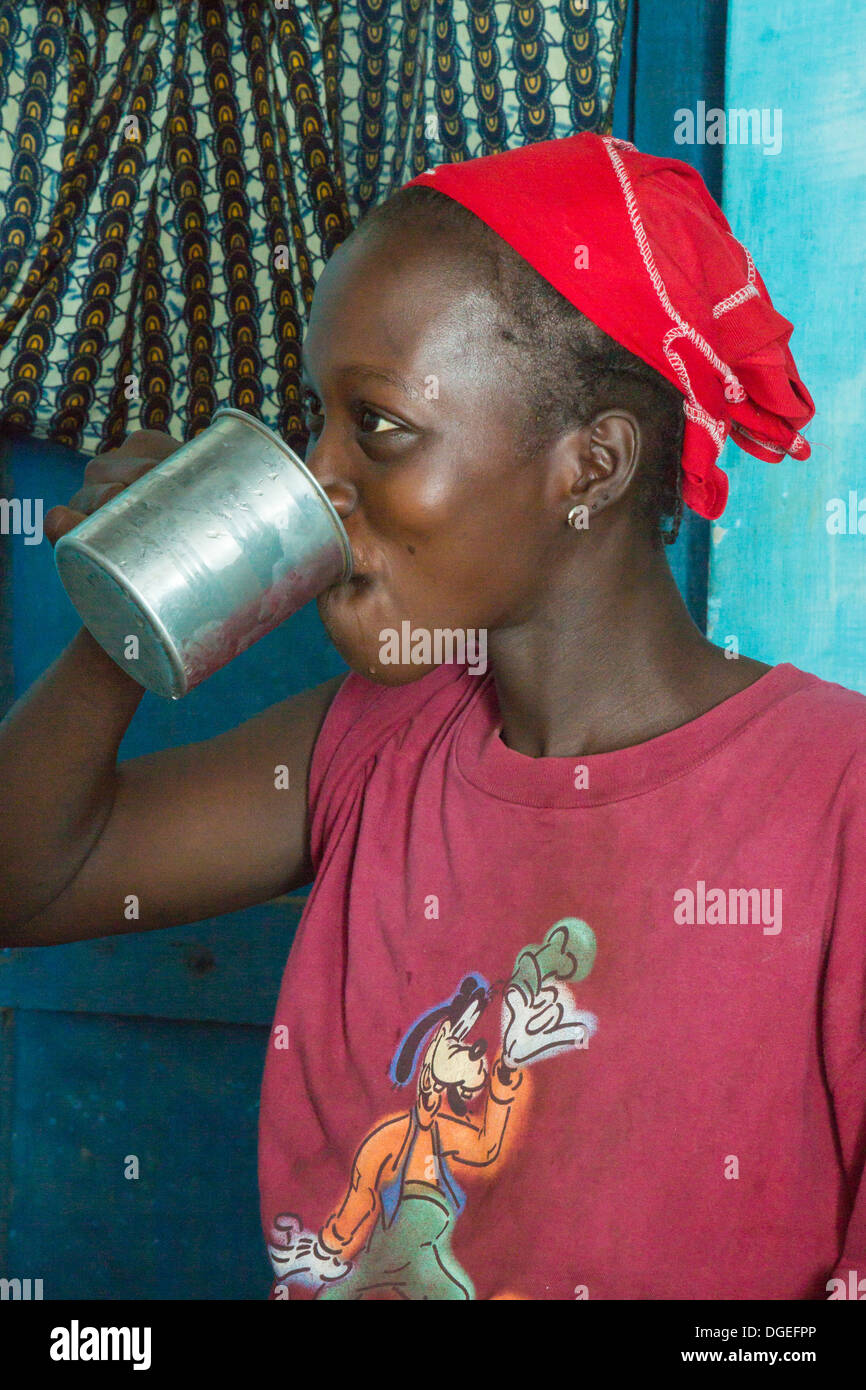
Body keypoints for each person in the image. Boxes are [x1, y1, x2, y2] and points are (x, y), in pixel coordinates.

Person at [0, 132, 862, 1301]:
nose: (320, 480)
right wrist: (134, 599)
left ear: (590, 467)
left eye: (380, 427)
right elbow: (28, 877)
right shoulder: (371, 745)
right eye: (318, 422)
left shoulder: (835, 799)